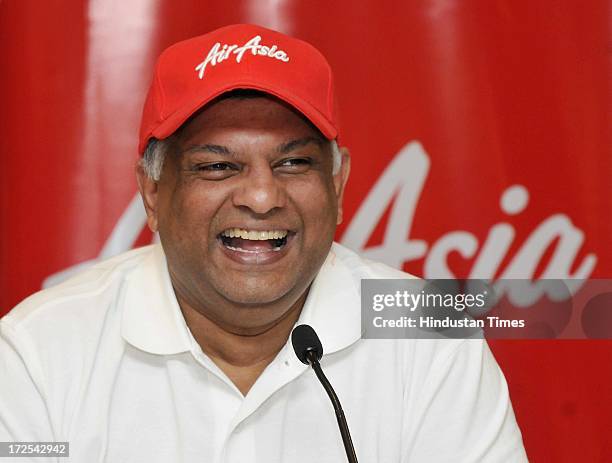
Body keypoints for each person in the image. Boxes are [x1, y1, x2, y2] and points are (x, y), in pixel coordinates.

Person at [0, 24, 528, 462]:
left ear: (338, 184)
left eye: (293, 163)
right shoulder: (39, 353)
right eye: (218, 166)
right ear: (153, 192)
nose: (260, 196)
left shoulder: (431, 337)